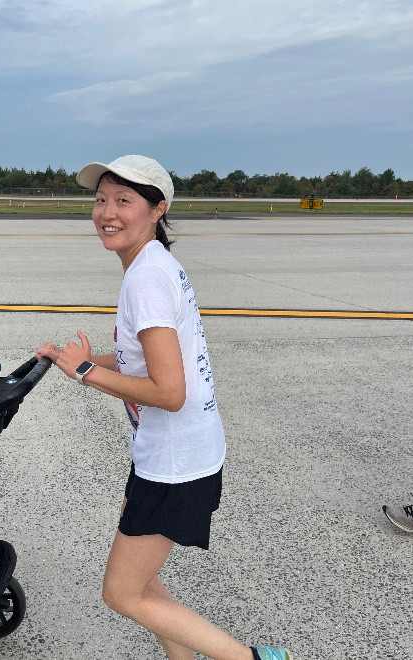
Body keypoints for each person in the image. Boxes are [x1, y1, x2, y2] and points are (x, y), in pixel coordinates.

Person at [37, 155, 292, 660]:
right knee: (140, 581)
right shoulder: (153, 265)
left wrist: (85, 373)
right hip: (175, 453)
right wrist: (82, 360)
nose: (107, 212)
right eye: (101, 200)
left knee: (122, 593)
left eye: (123, 200)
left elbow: (169, 392)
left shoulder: (146, 279)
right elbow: (146, 360)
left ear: (158, 210)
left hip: (175, 463)